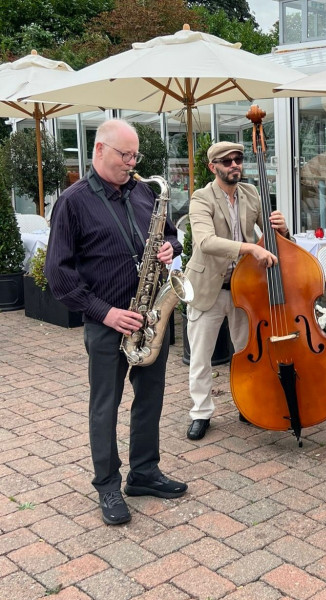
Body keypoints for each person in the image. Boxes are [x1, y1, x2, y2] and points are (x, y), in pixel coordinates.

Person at [46, 119, 187, 526]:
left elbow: (174, 237)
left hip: (150, 315)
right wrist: (106, 312)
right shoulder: (72, 202)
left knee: (151, 398)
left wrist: (168, 248)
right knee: (104, 406)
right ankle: (107, 484)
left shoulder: (144, 192)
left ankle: (144, 473)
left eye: (135, 155)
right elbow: (59, 275)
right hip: (108, 320)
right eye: (124, 155)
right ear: (99, 151)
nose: (131, 163)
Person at [183, 141, 291, 441]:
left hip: (245, 289)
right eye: (226, 161)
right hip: (208, 287)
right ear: (212, 167)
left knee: (246, 352)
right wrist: (248, 249)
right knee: (201, 355)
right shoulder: (200, 198)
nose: (234, 165)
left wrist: (282, 230)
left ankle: (248, 405)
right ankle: (201, 412)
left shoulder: (252, 194)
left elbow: (270, 237)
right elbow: (205, 242)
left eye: (238, 160)